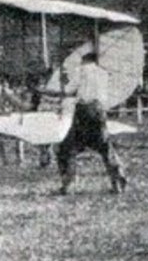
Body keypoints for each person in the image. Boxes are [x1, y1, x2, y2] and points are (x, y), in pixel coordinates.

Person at [57, 52, 127, 195]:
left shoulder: (80, 71)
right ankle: (117, 181)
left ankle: (68, 184)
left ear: (85, 60)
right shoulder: (104, 74)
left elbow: (69, 90)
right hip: (99, 111)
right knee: (105, 146)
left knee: (67, 147)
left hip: (84, 110)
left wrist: (63, 83)